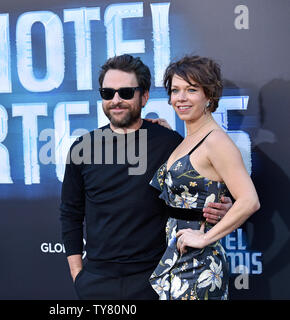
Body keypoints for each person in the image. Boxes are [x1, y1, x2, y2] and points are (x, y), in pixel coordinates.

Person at [60, 54, 232, 300]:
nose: (116, 100)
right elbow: (70, 213)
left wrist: (223, 206)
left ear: (145, 96)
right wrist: (78, 275)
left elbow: (198, 190)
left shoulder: (169, 143)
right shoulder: (82, 148)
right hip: (96, 282)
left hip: (156, 280)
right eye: (108, 93)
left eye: (126, 92)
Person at [149, 55, 260, 300]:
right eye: (175, 90)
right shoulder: (188, 138)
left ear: (209, 95)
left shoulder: (216, 141)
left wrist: (205, 238)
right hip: (178, 256)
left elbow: (249, 200)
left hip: (199, 264)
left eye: (191, 90)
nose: (181, 98)